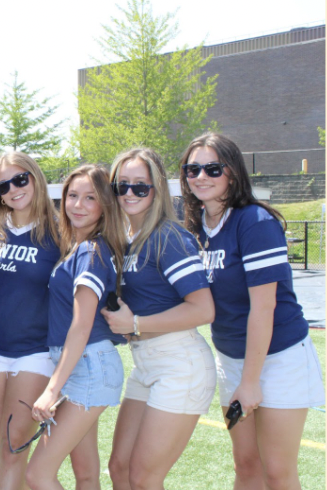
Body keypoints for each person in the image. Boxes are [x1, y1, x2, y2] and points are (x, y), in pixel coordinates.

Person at [179, 133, 325, 489]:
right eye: (192, 168)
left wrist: (249, 382)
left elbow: (264, 308)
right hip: (231, 358)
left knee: (277, 470)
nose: (201, 176)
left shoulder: (254, 222)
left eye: (212, 168)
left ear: (233, 172)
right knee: (246, 465)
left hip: (277, 359)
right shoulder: (198, 227)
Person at [101, 148, 216, 490]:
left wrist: (135, 325)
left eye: (141, 186)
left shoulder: (169, 237)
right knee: (120, 469)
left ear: (157, 190)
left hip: (179, 364)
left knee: (143, 477)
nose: (130, 194)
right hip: (145, 364)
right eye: (122, 186)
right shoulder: (127, 240)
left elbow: (203, 309)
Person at [24, 164, 127, 490]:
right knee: (85, 474)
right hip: (84, 366)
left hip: (88, 366)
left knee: (37, 475)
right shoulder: (81, 249)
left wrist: (52, 390)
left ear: (105, 206)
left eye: (90, 198)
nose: (78, 205)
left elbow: (80, 327)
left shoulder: (91, 251)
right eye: (72, 196)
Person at [0, 151, 62, 489]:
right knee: (8, 453)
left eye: (20, 179)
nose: (13, 189)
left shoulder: (59, 230)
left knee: (12, 451)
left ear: (35, 177)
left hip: (34, 351)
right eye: (3, 185)